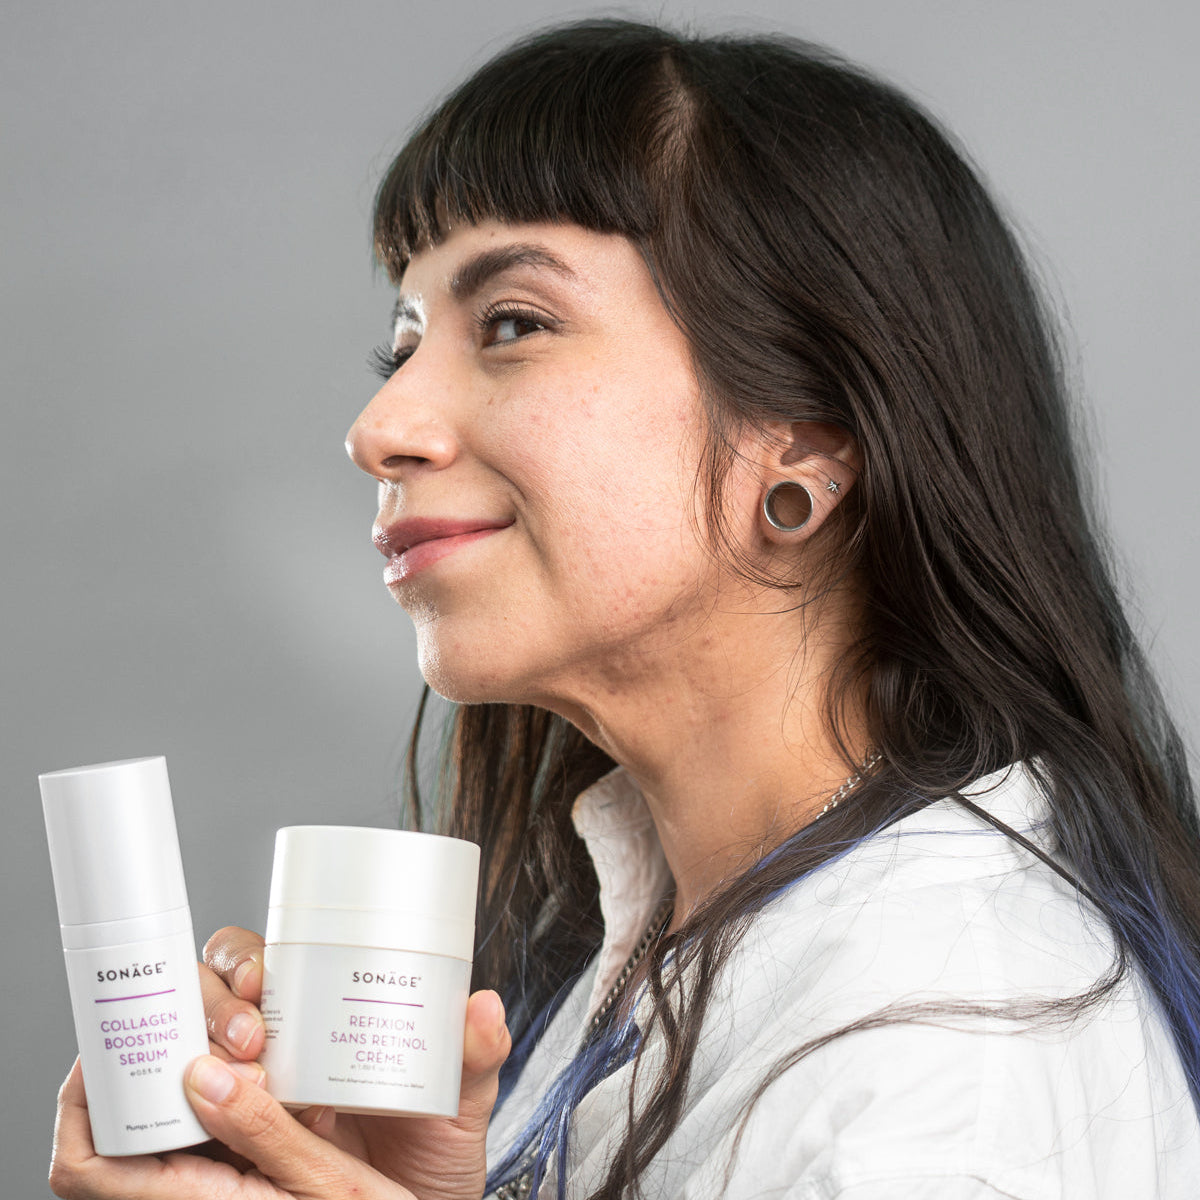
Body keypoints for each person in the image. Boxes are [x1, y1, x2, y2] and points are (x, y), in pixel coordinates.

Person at [49, 18, 1200, 1200]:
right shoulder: (645, 945)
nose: (379, 429)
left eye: (512, 325)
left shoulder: (945, 1073)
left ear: (799, 454)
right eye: (401, 346)